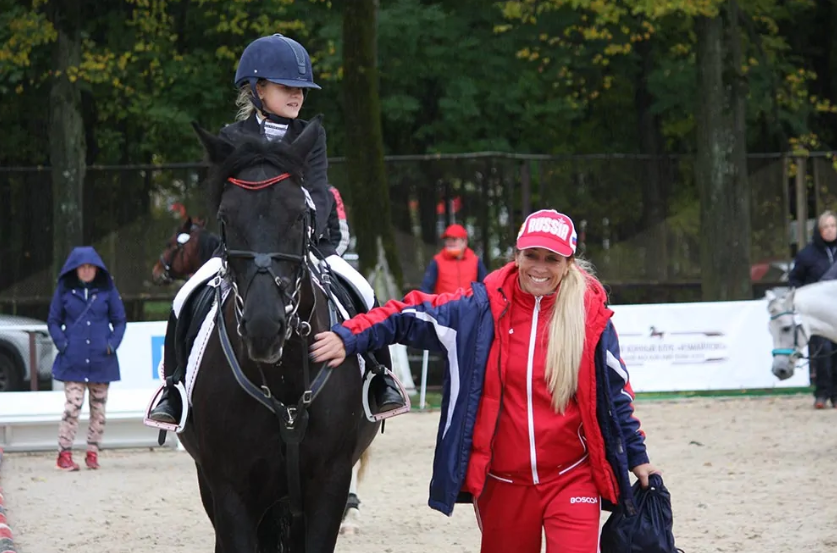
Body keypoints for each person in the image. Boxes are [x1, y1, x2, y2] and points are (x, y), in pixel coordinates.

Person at [311, 209, 660, 553]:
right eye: (531, 255)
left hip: (572, 476)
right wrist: (348, 336)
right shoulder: (477, 310)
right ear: (516, 254)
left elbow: (616, 396)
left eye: (551, 259)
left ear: (568, 263)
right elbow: (405, 315)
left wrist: (637, 456)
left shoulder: (591, 318)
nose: (539, 267)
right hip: (503, 483)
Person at [148, 34, 405, 426]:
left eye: (301, 89)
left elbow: (318, 189)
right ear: (257, 89)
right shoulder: (231, 138)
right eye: (287, 87)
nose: (297, 96)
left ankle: (378, 378)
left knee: (363, 291)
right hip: (245, 248)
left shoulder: (310, 134)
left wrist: (305, 226)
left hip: (305, 242)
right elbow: (220, 201)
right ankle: (174, 388)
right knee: (184, 298)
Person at [47, 246, 126, 471]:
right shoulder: (64, 289)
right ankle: (64, 454)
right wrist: (63, 344)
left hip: (102, 361)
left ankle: (92, 452)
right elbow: (53, 320)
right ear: (74, 269)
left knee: (98, 411)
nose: (87, 271)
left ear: (97, 269)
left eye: (91, 267)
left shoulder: (107, 289)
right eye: (82, 267)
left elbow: (120, 320)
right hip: (73, 361)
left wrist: (111, 345)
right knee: (72, 407)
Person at [789, 209, 837, 408]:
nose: (830, 230)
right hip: (818, 315)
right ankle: (822, 394)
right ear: (819, 230)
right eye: (825, 226)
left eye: (833, 226)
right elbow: (795, 279)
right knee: (823, 353)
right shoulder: (806, 254)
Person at [420, 223, 488, 294]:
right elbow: (426, 289)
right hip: (445, 304)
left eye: (454, 239)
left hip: (470, 304)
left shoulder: (475, 261)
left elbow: (485, 286)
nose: (450, 243)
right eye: (447, 239)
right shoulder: (437, 261)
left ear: (464, 242)